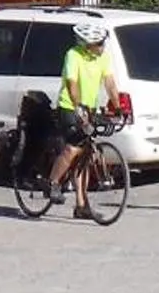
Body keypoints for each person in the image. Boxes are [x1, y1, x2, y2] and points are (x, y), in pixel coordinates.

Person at [48, 18, 122, 216]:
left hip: (89, 108)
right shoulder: (73, 55)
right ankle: (53, 182)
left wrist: (118, 107)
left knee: (86, 155)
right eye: (98, 44)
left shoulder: (103, 58)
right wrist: (78, 106)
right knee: (74, 147)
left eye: (102, 43)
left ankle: (82, 206)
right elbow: (72, 84)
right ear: (87, 45)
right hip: (69, 107)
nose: (102, 46)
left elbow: (110, 84)